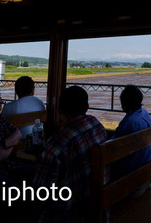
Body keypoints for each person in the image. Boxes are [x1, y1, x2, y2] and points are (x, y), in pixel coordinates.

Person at [32, 86, 108, 222]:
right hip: (98, 203)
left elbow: (41, 192)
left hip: (69, 212)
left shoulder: (57, 143)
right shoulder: (96, 124)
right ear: (87, 106)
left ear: (60, 109)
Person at [112, 85, 151, 183]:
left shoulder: (129, 122)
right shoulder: (144, 113)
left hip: (133, 181)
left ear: (125, 102)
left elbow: (113, 147)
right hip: (147, 175)